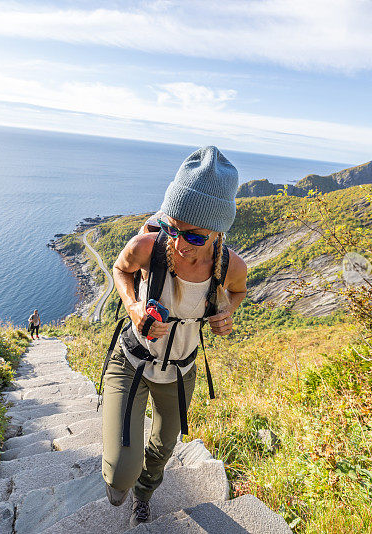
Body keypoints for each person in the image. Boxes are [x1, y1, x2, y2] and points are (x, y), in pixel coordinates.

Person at [100, 146, 248, 527]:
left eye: (194, 237)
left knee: (163, 449)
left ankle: (144, 495)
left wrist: (227, 311)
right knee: (117, 476)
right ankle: (124, 478)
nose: (180, 244)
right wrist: (134, 307)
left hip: (180, 371)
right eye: (173, 227)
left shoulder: (231, 266)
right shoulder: (148, 246)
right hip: (131, 361)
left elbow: (239, 290)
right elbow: (120, 269)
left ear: (218, 231)